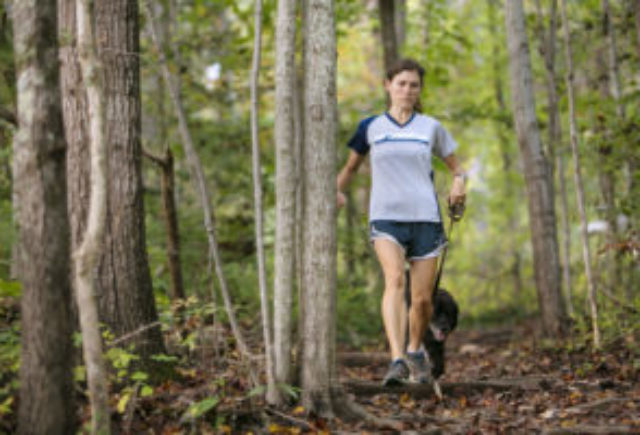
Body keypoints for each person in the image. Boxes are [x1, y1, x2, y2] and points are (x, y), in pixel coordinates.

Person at [336, 58, 467, 386]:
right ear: (388, 85)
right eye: (401, 83)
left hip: (426, 219)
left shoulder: (431, 127)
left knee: (422, 299)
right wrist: (336, 191)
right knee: (394, 279)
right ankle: (396, 360)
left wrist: (459, 184)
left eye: (414, 85)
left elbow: (457, 167)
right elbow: (351, 168)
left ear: (419, 90)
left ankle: (415, 351)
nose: (407, 90)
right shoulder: (370, 127)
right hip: (386, 218)